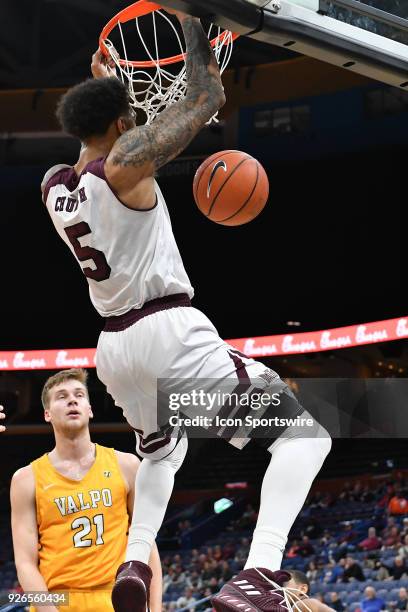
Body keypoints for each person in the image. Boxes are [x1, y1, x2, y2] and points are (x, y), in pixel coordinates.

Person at [41, 8, 331, 612]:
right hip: (167, 330)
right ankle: (260, 576)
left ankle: (133, 559)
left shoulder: (55, 185)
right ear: (124, 122)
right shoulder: (126, 167)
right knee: (305, 439)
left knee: (162, 450)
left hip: (115, 350)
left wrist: (107, 86)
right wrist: (204, 22)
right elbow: (205, 94)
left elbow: (89, 138)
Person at [10, 368, 162, 612]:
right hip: (60, 600)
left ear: (89, 410)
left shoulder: (127, 465)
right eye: (61, 396)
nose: (72, 400)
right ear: (47, 414)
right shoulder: (25, 479)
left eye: (79, 395)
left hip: (116, 597)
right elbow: (25, 562)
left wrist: (155, 609)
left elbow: (146, 544)